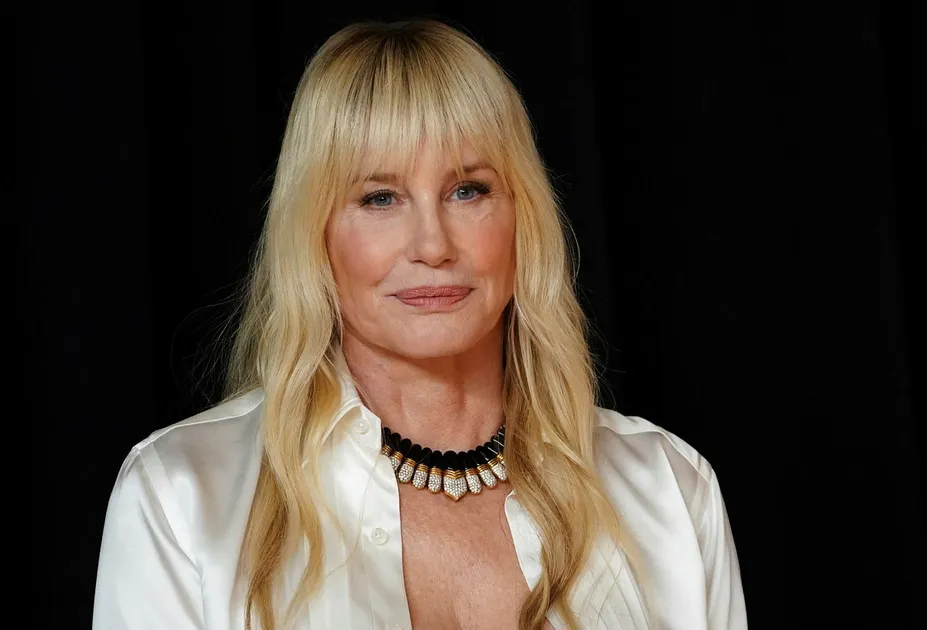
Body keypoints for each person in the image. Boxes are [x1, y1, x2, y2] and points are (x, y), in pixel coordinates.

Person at [92, 18, 746, 630]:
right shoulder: (183, 496)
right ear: (314, 234)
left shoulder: (668, 489)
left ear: (523, 215)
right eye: (380, 198)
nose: (432, 244)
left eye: (468, 190)